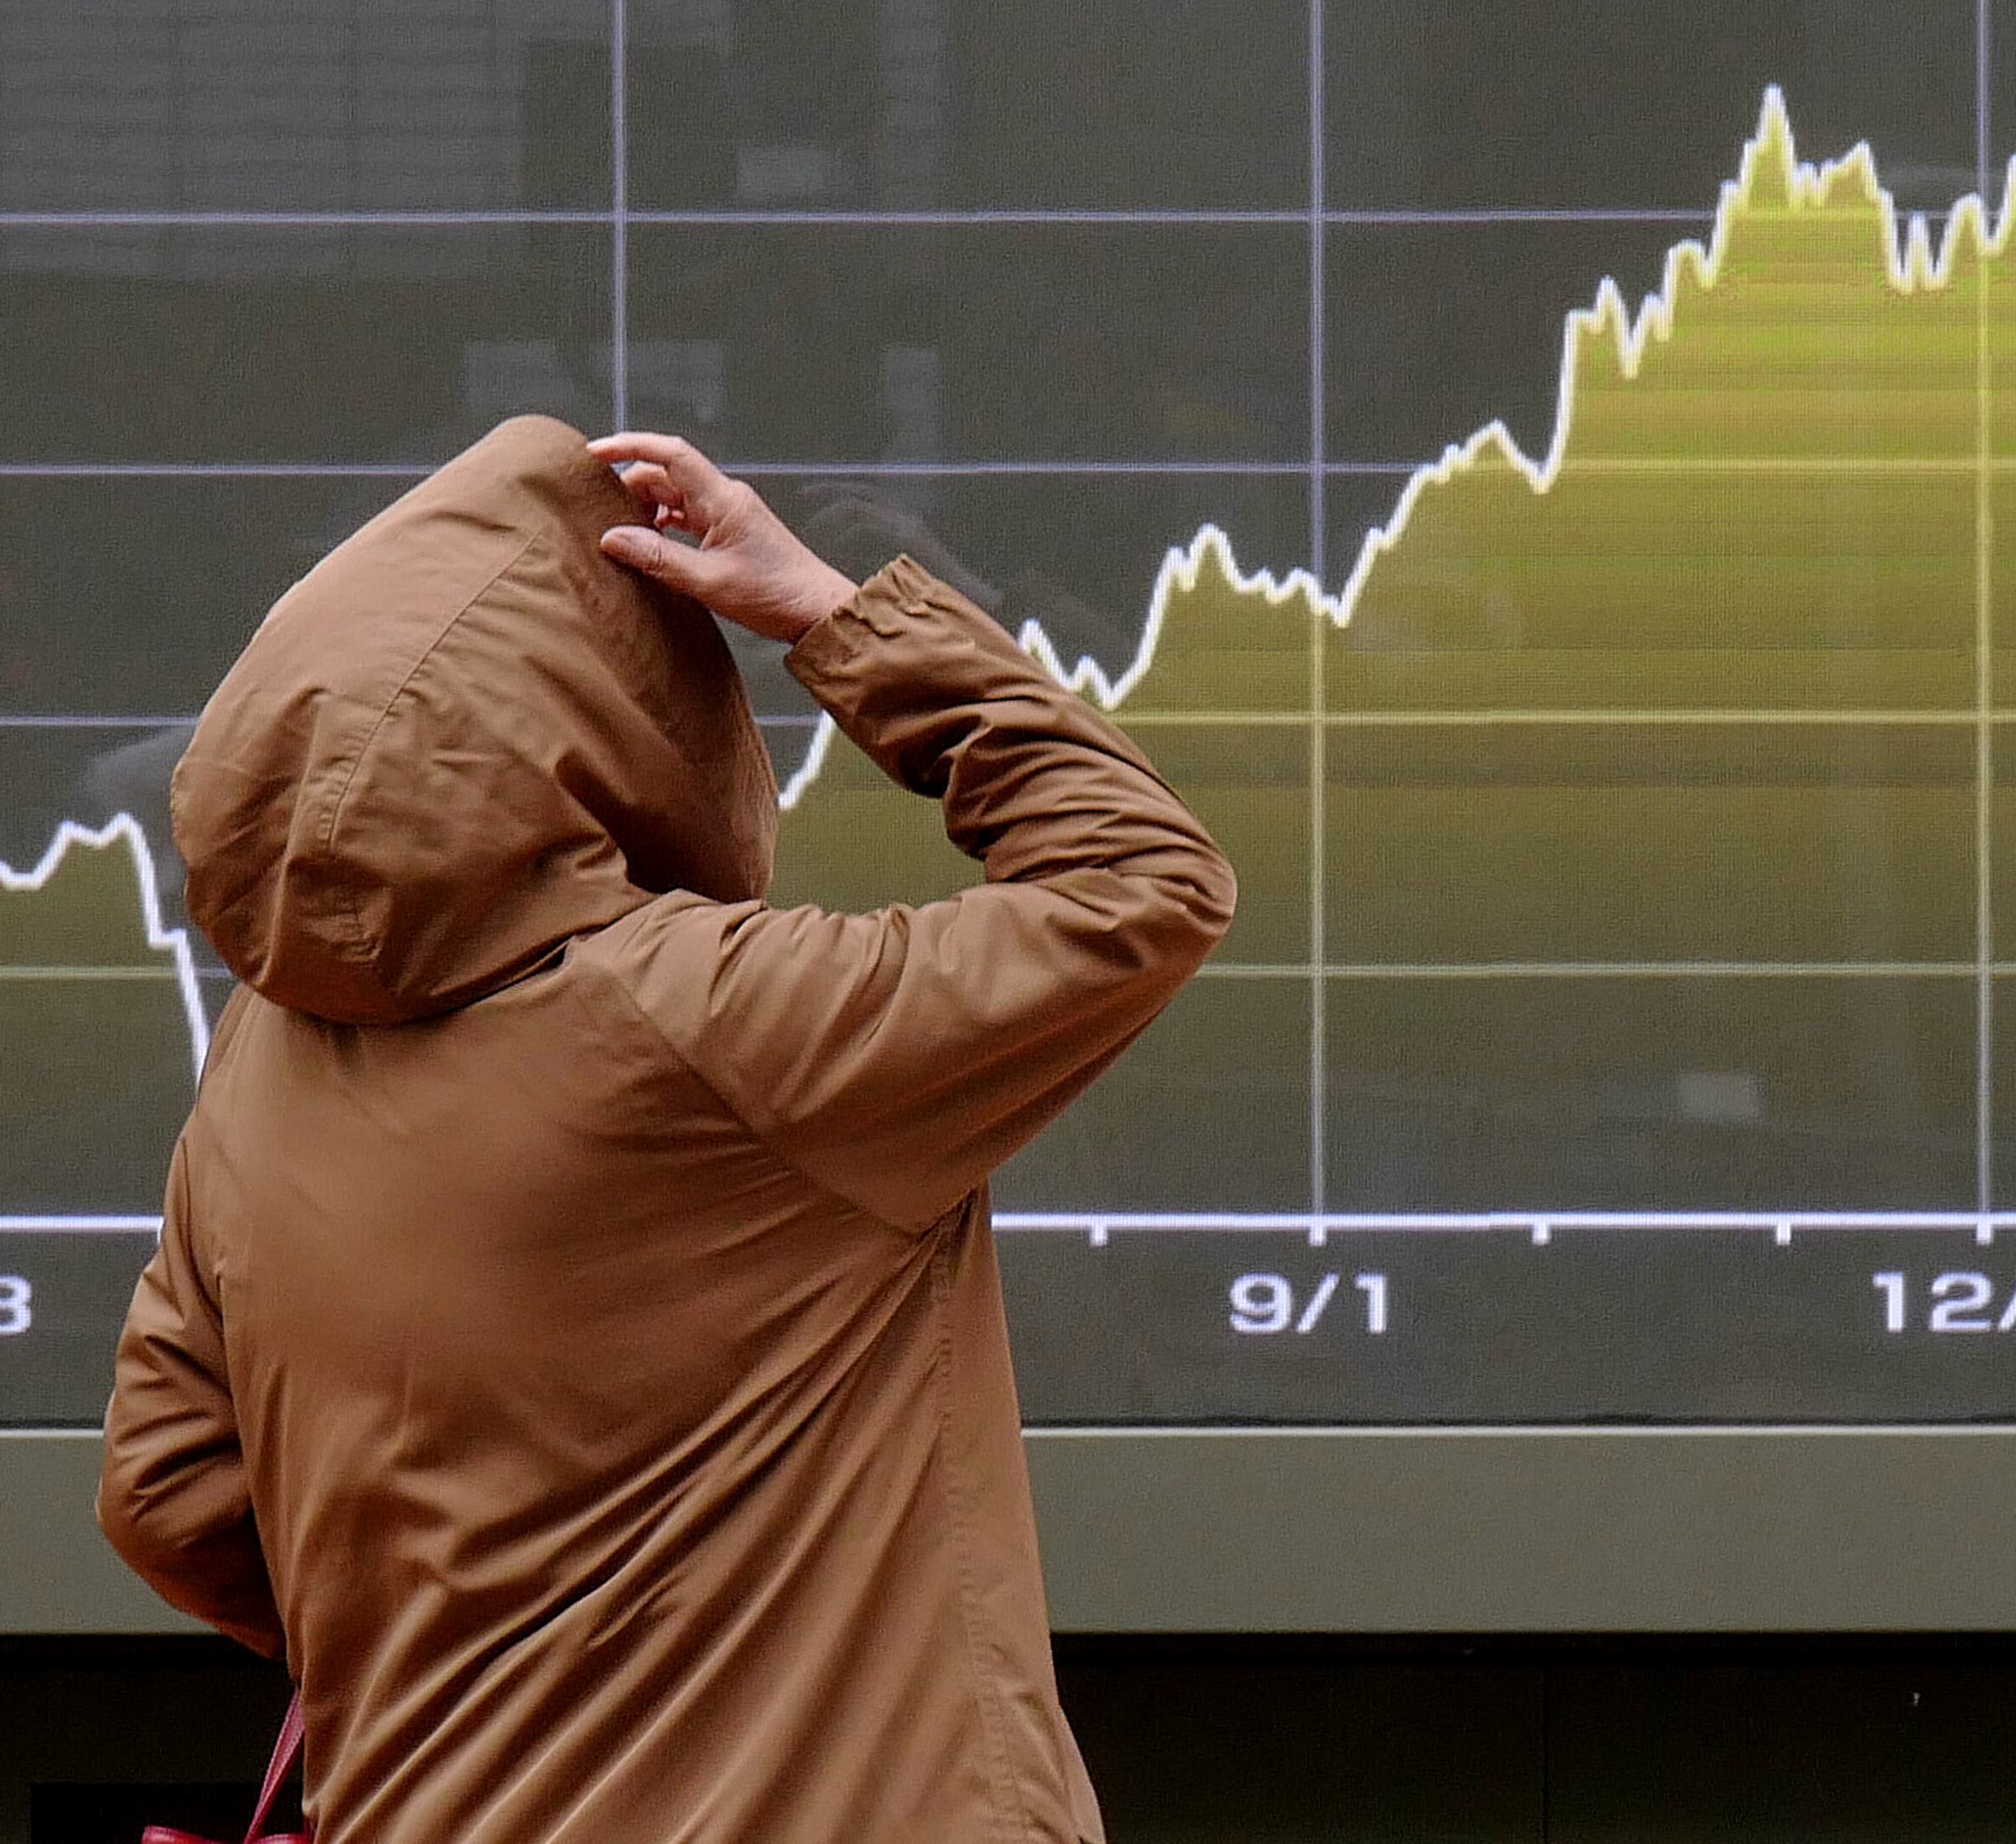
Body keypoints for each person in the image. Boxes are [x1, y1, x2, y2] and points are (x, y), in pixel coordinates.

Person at [96, 415, 1234, 1841]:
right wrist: (834, 614)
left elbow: (168, 1495)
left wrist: (480, 1637)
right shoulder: (722, 1025)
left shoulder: (257, 1065)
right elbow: (1138, 883)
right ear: (615, 719)